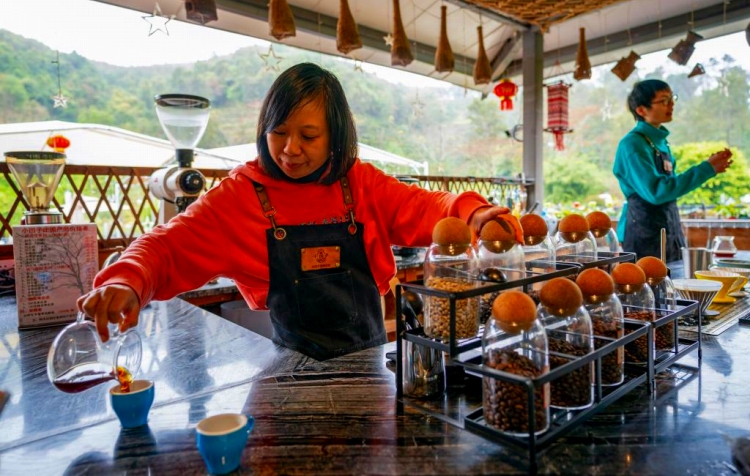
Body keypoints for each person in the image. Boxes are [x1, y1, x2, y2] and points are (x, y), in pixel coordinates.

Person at [78, 62, 520, 361]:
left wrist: (473, 214)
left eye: (309, 136)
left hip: (369, 364)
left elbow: (427, 206)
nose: (290, 150)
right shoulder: (241, 195)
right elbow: (168, 244)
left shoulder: (359, 183)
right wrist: (126, 279)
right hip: (289, 371)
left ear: (336, 135)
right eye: (279, 132)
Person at [613, 79, 733, 266]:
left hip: (669, 227)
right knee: (647, 290)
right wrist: (706, 169)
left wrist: (708, 168)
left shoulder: (661, 142)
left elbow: (669, 187)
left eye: (671, 98)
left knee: (673, 285)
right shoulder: (633, 144)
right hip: (643, 231)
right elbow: (657, 192)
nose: (671, 104)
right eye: (663, 100)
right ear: (641, 110)